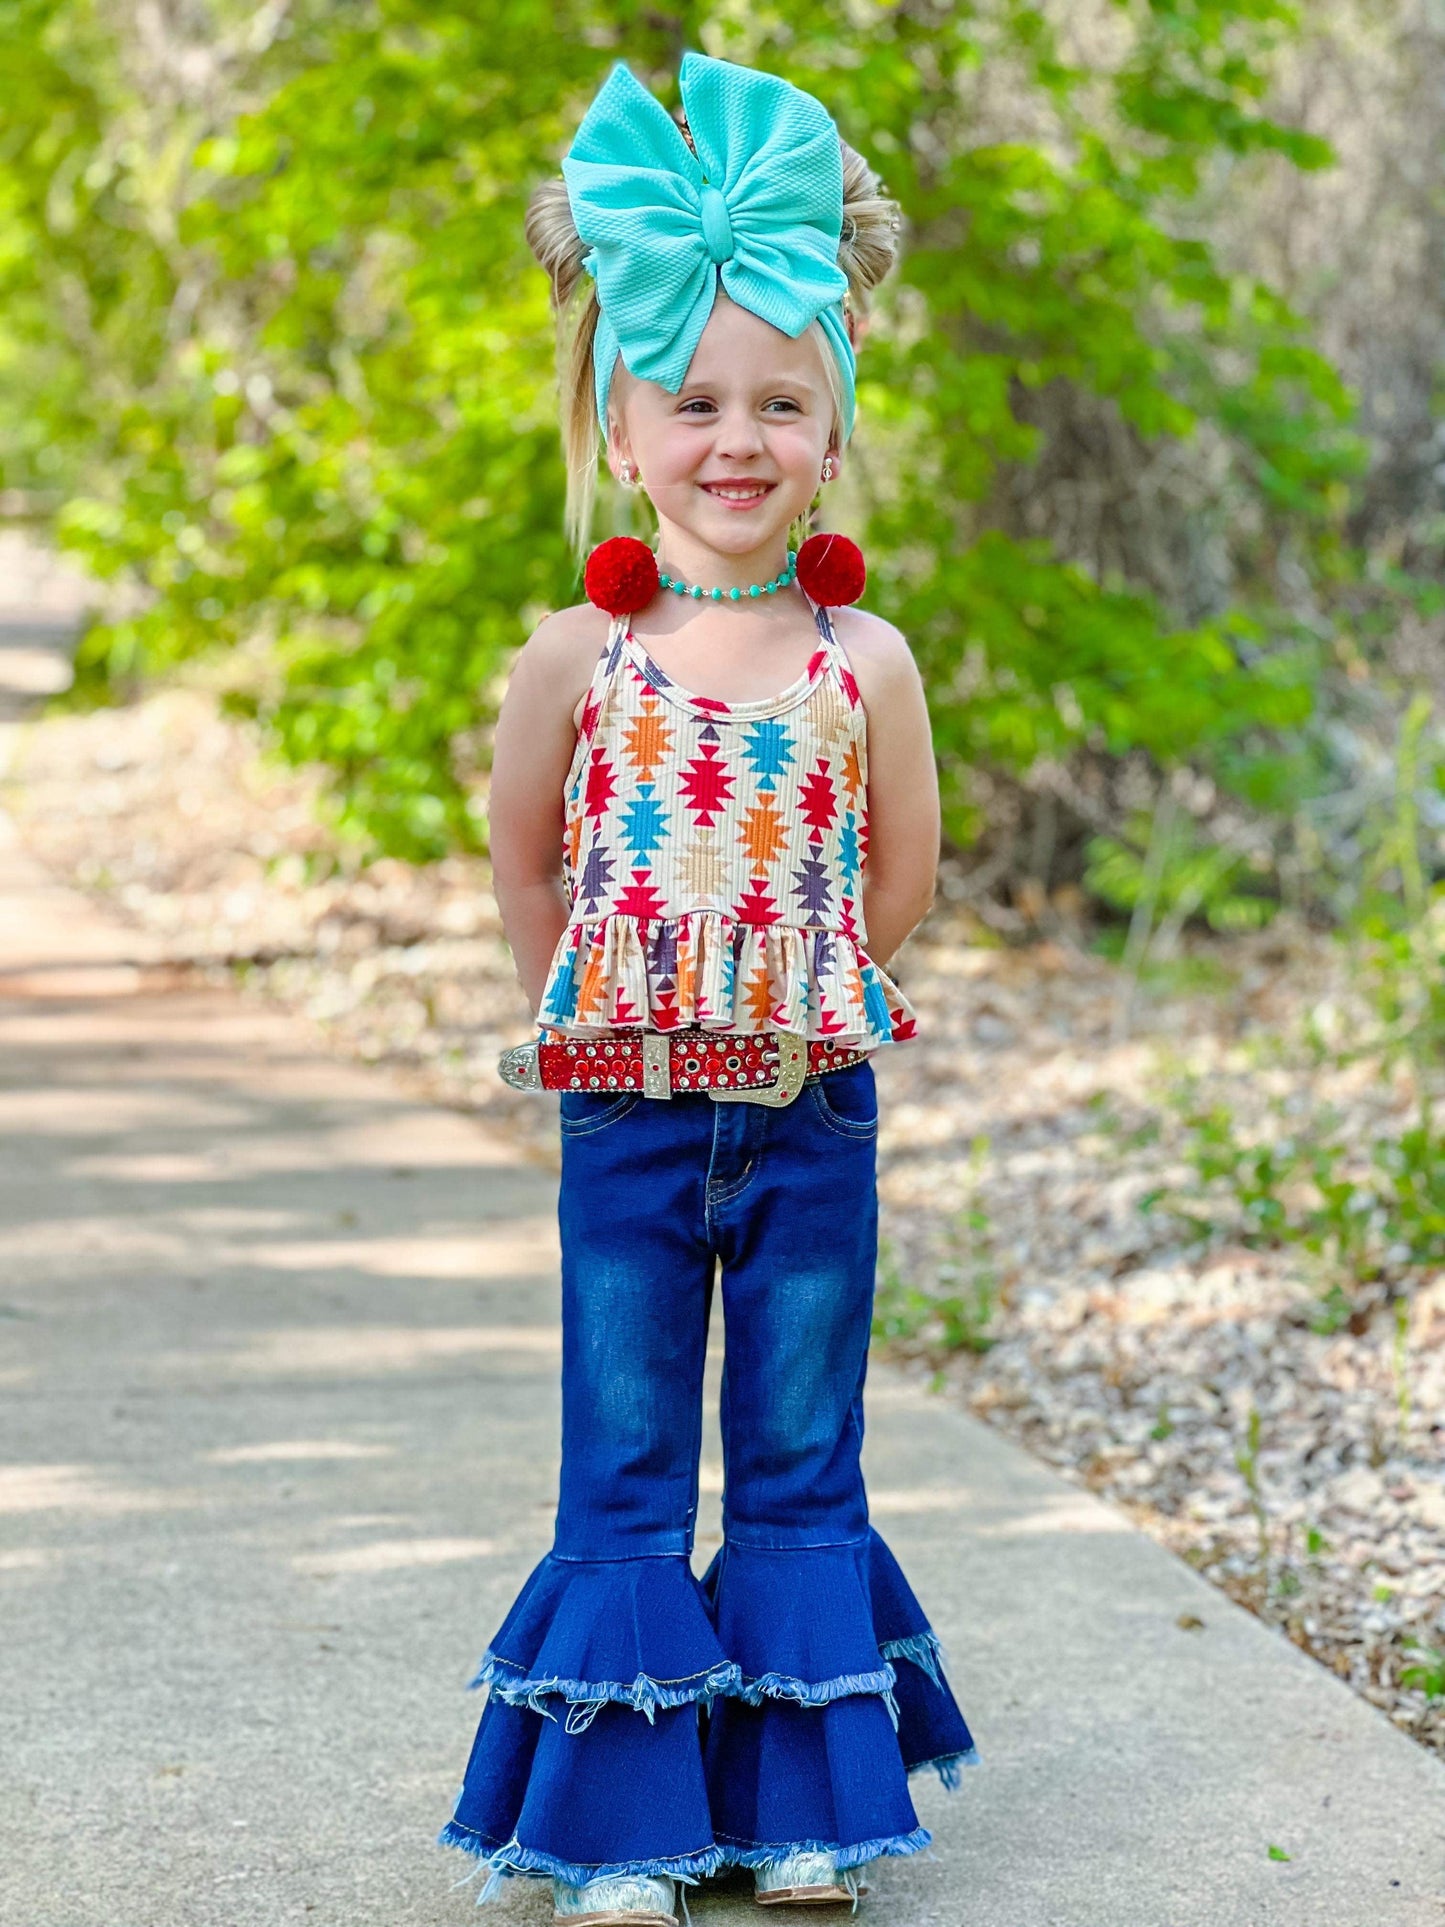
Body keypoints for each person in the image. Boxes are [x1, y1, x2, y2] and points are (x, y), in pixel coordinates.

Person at [438, 50, 979, 1926]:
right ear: (618, 425)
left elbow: (900, 870)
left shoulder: (865, 657)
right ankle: (621, 1833)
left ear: (833, 431)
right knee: (629, 1449)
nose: (734, 438)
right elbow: (525, 854)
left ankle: (805, 1811)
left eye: (781, 402)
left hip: (814, 1110)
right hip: (627, 1112)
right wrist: (579, 1014)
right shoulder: (577, 652)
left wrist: (805, 985)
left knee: (801, 1451)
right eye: (693, 402)